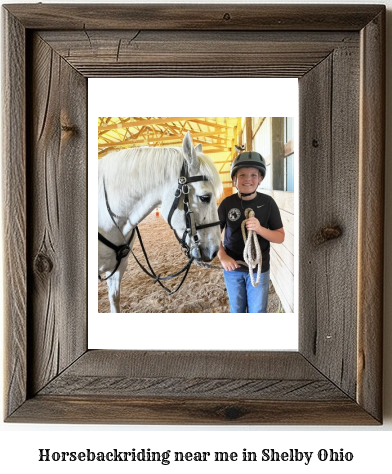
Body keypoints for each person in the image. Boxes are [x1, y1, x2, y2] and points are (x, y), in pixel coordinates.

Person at [218, 151, 285, 313]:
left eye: (253, 175)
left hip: (259, 270)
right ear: (235, 179)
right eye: (242, 175)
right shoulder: (227, 204)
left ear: (260, 179)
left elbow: (280, 236)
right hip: (233, 269)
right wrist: (223, 256)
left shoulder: (268, 203)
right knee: (237, 309)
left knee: (258, 311)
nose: (248, 179)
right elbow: (213, 234)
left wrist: (260, 229)